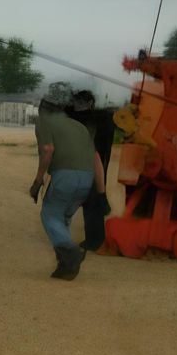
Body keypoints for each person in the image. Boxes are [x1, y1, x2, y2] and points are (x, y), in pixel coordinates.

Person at [30, 88, 102, 280]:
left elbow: (47, 150)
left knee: (50, 214)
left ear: (44, 109)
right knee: (63, 217)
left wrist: (38, 181)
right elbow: (95, 156)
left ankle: (71, 252)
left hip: (64, 176)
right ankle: (66, 266)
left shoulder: (44, 121)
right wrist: (100, 191)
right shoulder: (79, 126)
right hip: (86, 177)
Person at [71, 87, 118, 252]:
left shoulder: (96, 120)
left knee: (91, 201)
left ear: (89, 103)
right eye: (75, 101)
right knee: (90, 200)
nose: (77, 105)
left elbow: (97, 153)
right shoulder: (95, 118)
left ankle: (95, 240)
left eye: (80, 102)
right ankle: (95, 238)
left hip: (91, 164)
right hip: (87, 164)